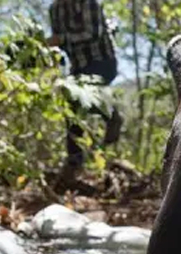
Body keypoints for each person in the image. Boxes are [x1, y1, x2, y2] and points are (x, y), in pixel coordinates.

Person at [47, 0, 123, 186]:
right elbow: (59, 45)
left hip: (103, 60)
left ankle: (111, 115)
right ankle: (74, 162)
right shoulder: (55, 10)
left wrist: (61, 39)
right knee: (72, 111)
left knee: (87, 96)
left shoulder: (89, 3)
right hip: (78, 67)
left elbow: (93, 33)